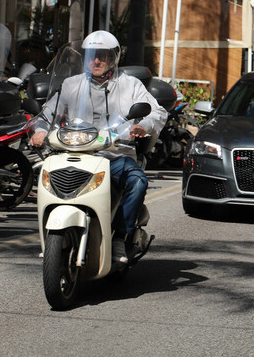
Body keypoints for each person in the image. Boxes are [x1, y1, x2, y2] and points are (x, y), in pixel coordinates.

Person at [30, 30, 167, 263]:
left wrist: (143, 125)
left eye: (102, 56)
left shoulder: (130, 85)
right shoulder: (71, 85)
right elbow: (48, 114)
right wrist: (40, 130)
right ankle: (52, 234)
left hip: (114, 155)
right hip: (73, 153)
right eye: (91, 55)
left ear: (114, 57)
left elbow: (157, 111)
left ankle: (119, 237)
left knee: (137, 181)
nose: (96, 61)